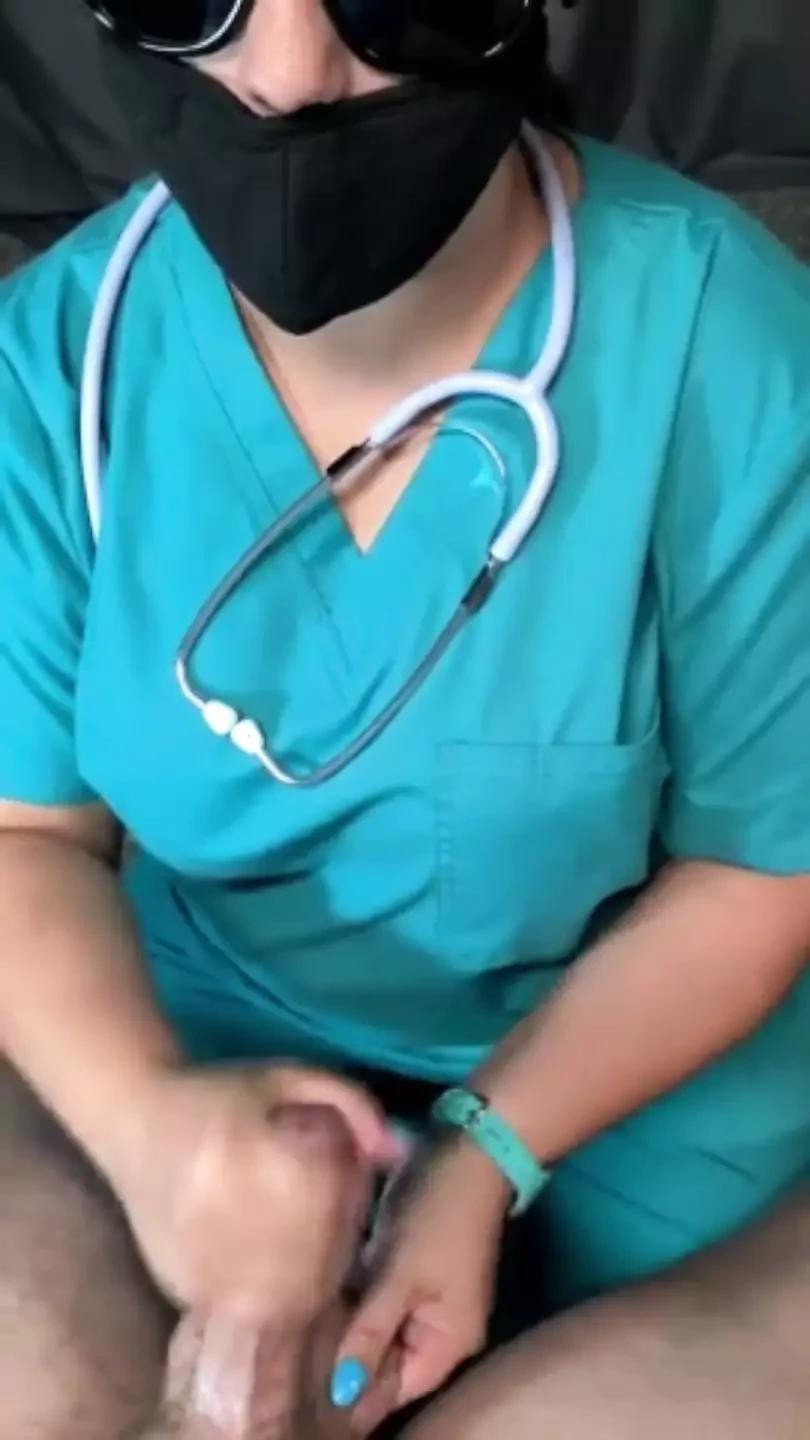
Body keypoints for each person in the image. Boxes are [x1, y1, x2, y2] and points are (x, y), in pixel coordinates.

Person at [1, 0, 809, 1435]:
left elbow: (760, 870)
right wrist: (148, 1130)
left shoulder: (724, 339)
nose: (288, 75)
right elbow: (26, 835)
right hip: (203, 1029)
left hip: (649, 1090)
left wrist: (482, 1155)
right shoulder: (61, 355)